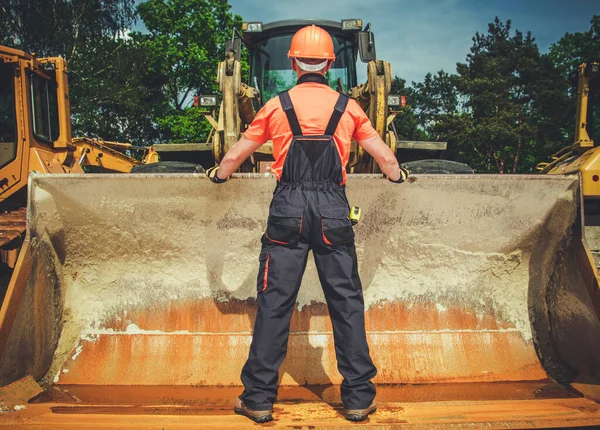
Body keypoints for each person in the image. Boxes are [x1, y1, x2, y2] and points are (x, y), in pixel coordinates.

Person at [206, 24, 409, 423]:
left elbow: (233, 157)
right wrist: (399, 177)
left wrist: (217, 175)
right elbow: (386, 160)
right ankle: (357, 397)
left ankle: (259, 398)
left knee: (274, 304)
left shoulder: (275, 106)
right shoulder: (349, 108)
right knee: (346, 303)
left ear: (292, 62)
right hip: (334, 210)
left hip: (287, 211)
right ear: (331, 64)